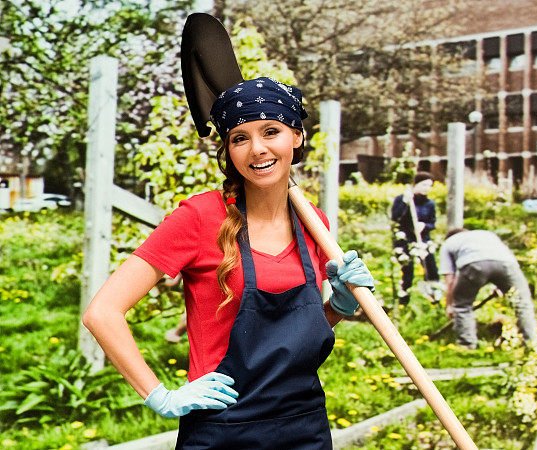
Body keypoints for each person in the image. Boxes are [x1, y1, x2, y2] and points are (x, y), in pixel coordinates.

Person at [82, 76, 375, 449]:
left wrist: (339, 306)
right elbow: (102, 312)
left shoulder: (313, 222)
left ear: (296, 137)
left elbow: (295, 329)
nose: (257, 149)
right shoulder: (199, 217)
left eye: (271, 131)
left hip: (304, 424)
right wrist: (161, 396)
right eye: (240, 138)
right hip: (223, 428)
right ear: (228, 149)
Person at [439, 228, 537, 349]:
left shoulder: (448, 243)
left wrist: (450, 305)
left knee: (462, 305)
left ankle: (467, 346)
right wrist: (501, 284)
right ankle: (532, 344)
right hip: (507, 263)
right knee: (522, 303)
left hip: (473, 264)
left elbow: (450, 280)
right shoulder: (487, 234)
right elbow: (494, 260)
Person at [390, 172, 440, 304]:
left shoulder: (430, 204)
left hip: (423, 240)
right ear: (416, 184)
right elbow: (396, 218)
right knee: (407, 269)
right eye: (424, 184)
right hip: (405, 240)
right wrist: (405, 203)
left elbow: (432, 223)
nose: (427, 188)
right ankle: (404, 300)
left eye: (430, 185)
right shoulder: (403, 199)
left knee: (431, 268)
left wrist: (424, 225)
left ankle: (434, 298)